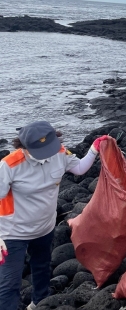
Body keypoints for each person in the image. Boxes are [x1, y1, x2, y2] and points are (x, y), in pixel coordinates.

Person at [0, 121, 106, 310]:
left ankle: (39, 303)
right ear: (24, 147)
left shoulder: (59, 153)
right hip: (12, 233)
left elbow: (80, 168)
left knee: (42, 268)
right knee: (9, 283)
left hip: (44, 228)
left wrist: (94, 148)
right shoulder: (8, 166)